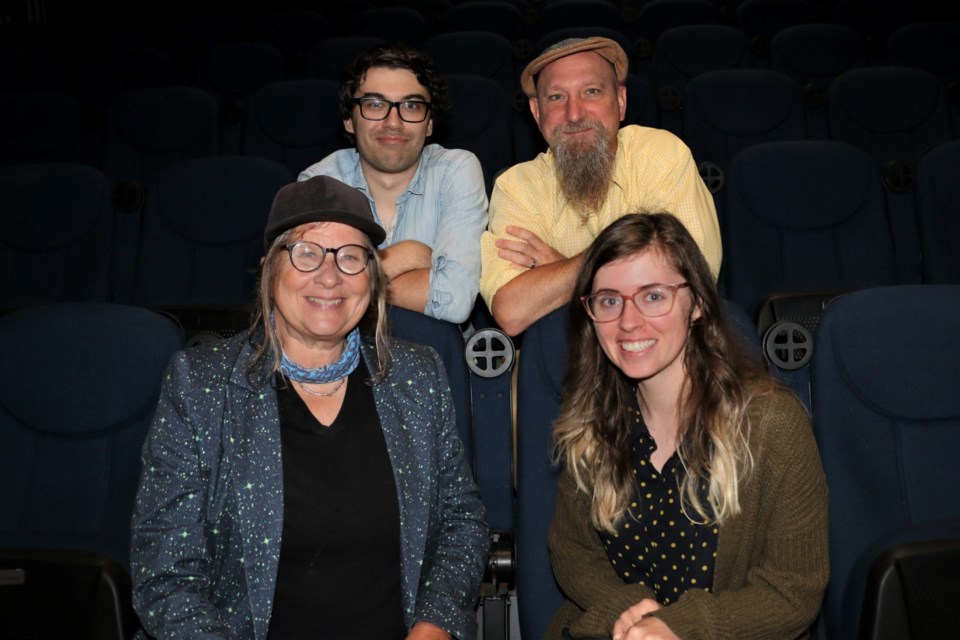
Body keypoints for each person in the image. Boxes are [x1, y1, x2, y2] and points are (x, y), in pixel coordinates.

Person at [130, 176, 489, 640]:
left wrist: (435, 623)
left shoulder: (418, 376)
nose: (330, 275)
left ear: (372, 278)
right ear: (268, 270)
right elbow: (165, 573)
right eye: (306, 253)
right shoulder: (201, 384)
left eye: (351, 256)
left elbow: (462, 519)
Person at [547, 213, 828, 639]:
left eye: (653, 296)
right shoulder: (591, 419)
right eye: (608, 300)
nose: (628, 321)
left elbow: (793, 593)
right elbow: (572, 550)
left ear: (696, 303)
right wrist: (627, 611)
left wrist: (678, 626)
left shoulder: (771, 424)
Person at [479, 37, 721, 336]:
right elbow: (512, 311)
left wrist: (570, 269)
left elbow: (693, 278)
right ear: (536, 112)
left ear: (621, 102)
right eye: (556, 97)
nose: (575, 113)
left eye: (591, 92)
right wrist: (629, 260)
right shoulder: (517, 187)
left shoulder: (661, 154)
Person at [300, 43, 488, 325]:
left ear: (429, 124)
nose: (393, 122)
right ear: (349, 120)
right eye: (375, 104)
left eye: (412, 106)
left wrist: (347, 282)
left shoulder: (455, 170)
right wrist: (409, 256)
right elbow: (305, 294)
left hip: (441, 355)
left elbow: (454, 299)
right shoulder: (320, 183)